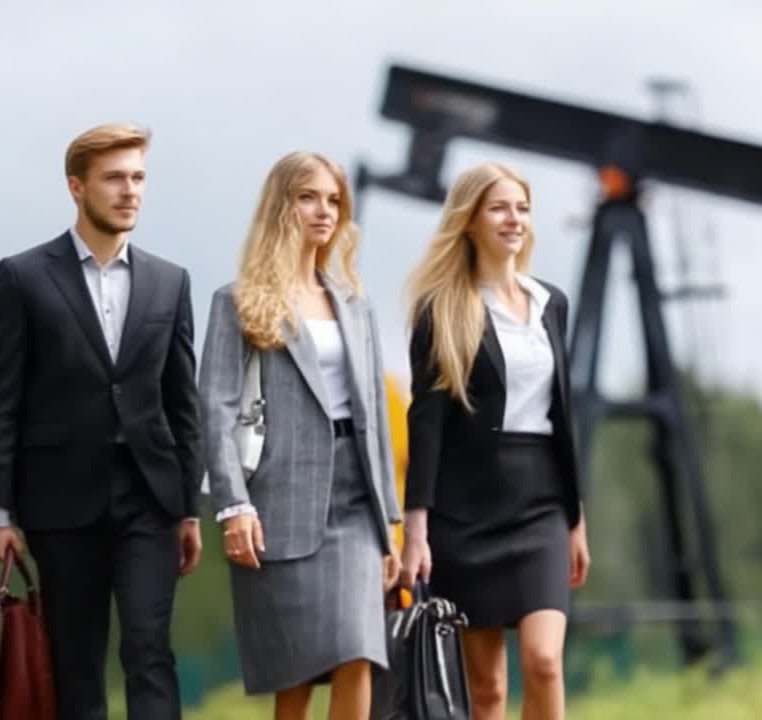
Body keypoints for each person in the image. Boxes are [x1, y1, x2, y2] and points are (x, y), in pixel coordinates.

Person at [0, 123, 203, 720]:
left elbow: (183, 404)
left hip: (149, 500)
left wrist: (186, 507)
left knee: (149, 647)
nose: (130, 191)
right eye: (114, 178)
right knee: (75, 662)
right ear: (77, 186)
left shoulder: (170, 282)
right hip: (59, 502)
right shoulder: (22, 278)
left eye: (137, 178)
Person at [199, 150, 402, 720]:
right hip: (278, 500)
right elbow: (212, 409)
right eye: (308, 197)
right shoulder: (236, 302)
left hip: (356, 500)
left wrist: (391, 521)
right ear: (281, 206)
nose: (324, 210)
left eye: (334, 199)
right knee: (297, 676)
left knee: (359, 653)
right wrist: (232, 504)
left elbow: (376, 422)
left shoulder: (355, 304)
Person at [399, 163, 591, 720]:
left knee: (545, 661)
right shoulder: (442, 308)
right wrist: (417, 529)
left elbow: (564, 413)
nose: (515, 219)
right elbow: (426, 421)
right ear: (470, 220)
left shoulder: (551, 302)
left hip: (543, 504)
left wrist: (576, 517)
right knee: (485, 690)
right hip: (466, 512)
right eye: (500, 208)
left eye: (523, 208)